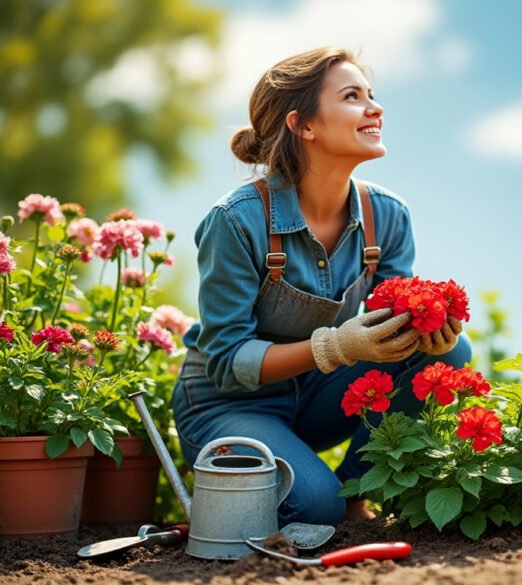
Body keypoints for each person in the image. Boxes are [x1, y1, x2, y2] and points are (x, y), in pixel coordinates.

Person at [171, 47, 471, 526]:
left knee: (448, 354)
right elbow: (227, 363)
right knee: (313, 507)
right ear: (303, 125)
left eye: (372, 96)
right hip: (229, 404)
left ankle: (355, 494)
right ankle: (294, 492)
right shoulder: (237, 221)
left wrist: (426, 330)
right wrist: (335, 346)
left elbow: (393, 328)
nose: (375, 108)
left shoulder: (387, 216)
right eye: (352, 96)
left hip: (317, 399)